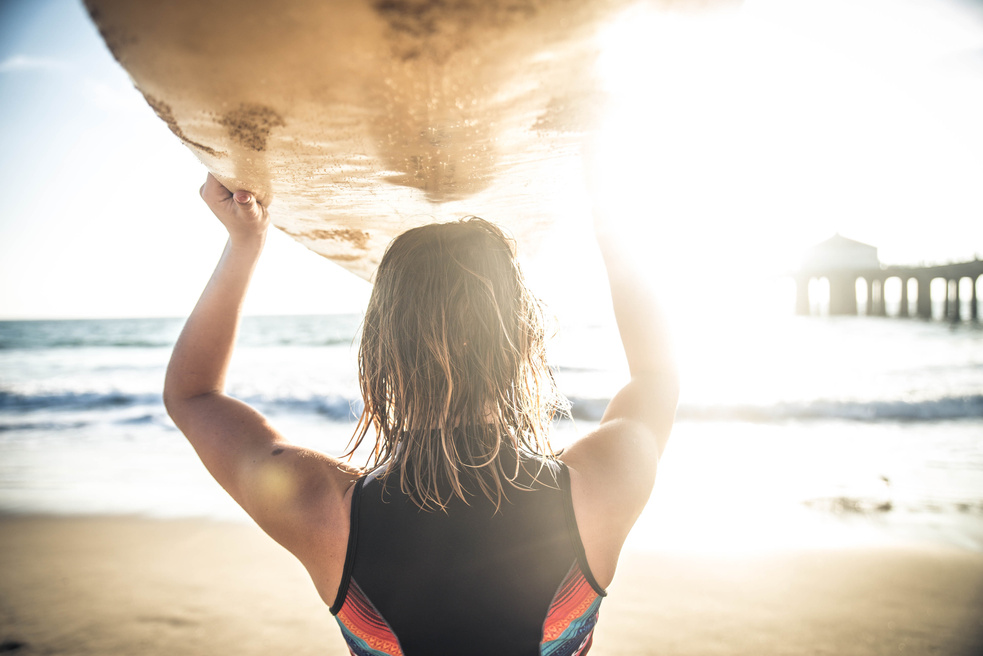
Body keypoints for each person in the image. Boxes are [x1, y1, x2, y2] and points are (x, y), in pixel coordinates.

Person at [164, 173, 679, 655]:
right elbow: (656, 378)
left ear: (378, 352)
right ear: (526, 341)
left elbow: (193, 396)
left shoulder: (323, 510)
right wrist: (609, 220)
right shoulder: (600, 489)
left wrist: (244, 244)